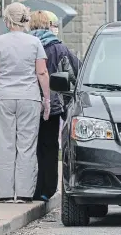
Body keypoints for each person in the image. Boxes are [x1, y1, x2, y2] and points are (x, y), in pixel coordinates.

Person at [0, 2, 50, 204]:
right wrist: (46, 99)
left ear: (7, 20)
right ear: (25, 19)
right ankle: (24, 193)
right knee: (27, 145)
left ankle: (5, 194)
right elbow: (41, 72)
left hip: (2, 96)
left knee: (4, 144)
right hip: (29, 97)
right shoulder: (34, 43)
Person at [29, 10, 79, 202]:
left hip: (28, 102)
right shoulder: (59, 48)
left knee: (29, 147)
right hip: (53, 105)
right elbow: (76, 72)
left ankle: (30, 186)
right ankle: (46, 189)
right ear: (49, 25)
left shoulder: (27, 45)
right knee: (49, 147)